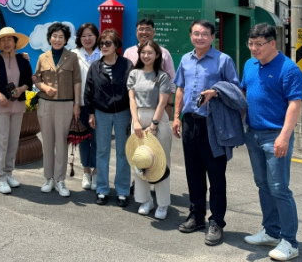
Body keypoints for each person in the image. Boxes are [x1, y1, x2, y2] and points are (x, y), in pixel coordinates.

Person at [172, 20, 240, 246]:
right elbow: (180, 88)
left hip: (213, 125)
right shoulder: (185, 59)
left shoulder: (223, 60)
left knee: (216, 176)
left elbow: (236, 90)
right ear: (191, 35)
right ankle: (197, 215)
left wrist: (215, 91)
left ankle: (217, 222)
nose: (200, 37)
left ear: (213, 37)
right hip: (190, 122)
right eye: (196, 33)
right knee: (193, 173)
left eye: (205, 34)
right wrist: (176, 117)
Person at [241, 23, 302, 261]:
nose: (254, 48)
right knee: (263, 184)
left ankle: (290, 241)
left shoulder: (289, 69)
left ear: (272, 44)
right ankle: (271, 231)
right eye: (251, 43)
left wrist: (284, 136)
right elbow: (244, 93)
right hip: (253, 133)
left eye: (259, 44)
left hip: (275, 135)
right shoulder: (249, 64)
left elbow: (295, 104)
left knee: (279, 188)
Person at [84, 29, 133, 206]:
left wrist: (132, 115)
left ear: (116, 46)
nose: (104, 46)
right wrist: (90, 113)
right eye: (102, 44)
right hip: (101, 113)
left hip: (123, 112)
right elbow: (88, 91)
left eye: (108, 43)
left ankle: (122, 191)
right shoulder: (95, 66)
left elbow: (132, 91)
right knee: (102, 151)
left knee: (123, 152)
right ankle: (102, 189)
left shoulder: (127, 65)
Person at [35, 22, 82, 197]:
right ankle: (48, 178)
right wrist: (45, 88)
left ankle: (60, 180)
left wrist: (77, 104)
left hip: (65, 105)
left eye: (61, 37)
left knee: (61, 143)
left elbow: (77, 81)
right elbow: (36, 80)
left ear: (66, 40)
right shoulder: (42, 57)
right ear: (49, 38)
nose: (57, 39)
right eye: (54, 36)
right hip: (45, 103)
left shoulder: (72, 57)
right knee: (47, 142)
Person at [127, 40, 172, 219]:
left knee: (161, 162)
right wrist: (136, 122)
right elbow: (132, 99)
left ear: (157, 55)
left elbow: (162, 102)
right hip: (138, 118)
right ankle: (145, 200)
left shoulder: (162, 76)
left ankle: (163, 204)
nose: (146, 55)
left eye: (150, 53)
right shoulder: (133, 74)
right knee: (140, 161)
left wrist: (153, 125)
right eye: (143, 52)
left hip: (158, 119)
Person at [0, 27, 33, 194]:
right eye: (3, 40)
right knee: (1, 142)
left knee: (13, 142)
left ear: (15, 42)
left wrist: (22, 89)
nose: (6, 43)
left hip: (17, 105)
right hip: (1, 106)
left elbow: (29, 80)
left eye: (9, 40)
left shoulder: (23, 60)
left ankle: (8, 172)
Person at [123, 18, 176, 118]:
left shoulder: (164, 52)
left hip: (159, 105)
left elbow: (172, 79)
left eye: (148, 29)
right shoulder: (128, 52)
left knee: (157, 132)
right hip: (135, 106)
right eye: (141, 29)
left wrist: (169, 105)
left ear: (153, 32)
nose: (144, 32)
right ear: (136, 32)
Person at [71, 22, 101, 190]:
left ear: (96, 36)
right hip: (81, 104)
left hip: (100, 107)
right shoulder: (74, 54)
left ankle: (96, 173)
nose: (87, 38)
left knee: (98, 140)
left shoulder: (103, 53)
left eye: (90, 35)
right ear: (79, 38)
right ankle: (86, 172)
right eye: (83, 36)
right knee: (83, 139)